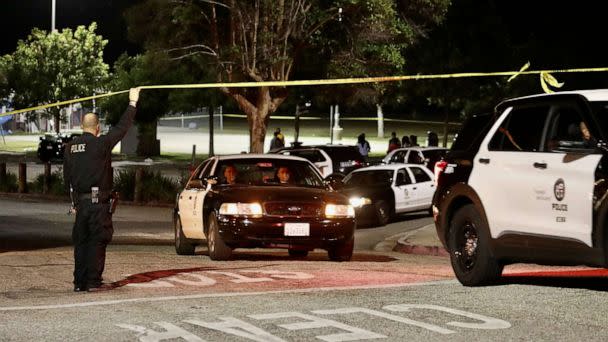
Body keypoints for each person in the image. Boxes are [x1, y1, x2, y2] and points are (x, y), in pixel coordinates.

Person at [63, 87, 140, 292]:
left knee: (81, 243)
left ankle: (79, 283)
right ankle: (93, 281)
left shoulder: (70, 148)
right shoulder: (102, 144)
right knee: (97, 241)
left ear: (82, 126)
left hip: (81, 203)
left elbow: (67, 179)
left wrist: (74, 203)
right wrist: (132, 102)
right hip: (98, 204)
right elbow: (122, 127)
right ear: (97, 127)